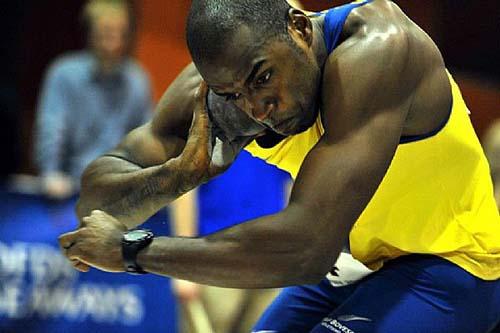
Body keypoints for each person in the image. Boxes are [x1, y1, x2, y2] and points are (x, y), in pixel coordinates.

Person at [59, 0, 500, 332]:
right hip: (356, 262)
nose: (256, 109)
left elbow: (307, 246)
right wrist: (177, 176)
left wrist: (132, 251)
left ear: (299, 28)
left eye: (262, 77)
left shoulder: (379, 51)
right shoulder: (217, 91)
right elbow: (96, 205)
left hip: (453, 266)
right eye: (232, 94)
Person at [34, 0, 152, 200]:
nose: (113, 44)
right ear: (89, 34)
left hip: (120, 192)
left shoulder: (137, 80)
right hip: (70, 187)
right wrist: (50, 173)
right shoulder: (63, 73)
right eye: (106, 34)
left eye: (120, 35)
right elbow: (51, 130)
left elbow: (148, 139)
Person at [171, 151, 290, 333]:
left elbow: (293, 187)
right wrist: (181, 265)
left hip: (269, 258)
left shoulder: (283, 130)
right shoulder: (209, 128)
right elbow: (183, 191)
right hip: (216, 256)